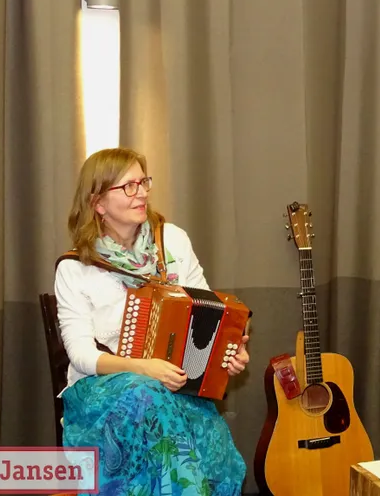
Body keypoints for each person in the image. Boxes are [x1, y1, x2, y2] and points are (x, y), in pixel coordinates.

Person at [54, 147, 250, 495]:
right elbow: (81, 355)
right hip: (103, 393)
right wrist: (143, 368)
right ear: (98, 202)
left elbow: (210, 308)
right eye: (128, 186)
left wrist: (228, 350)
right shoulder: (75, 268)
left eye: (143, 181)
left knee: (170, 407)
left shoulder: (171, 239)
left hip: (170, 384)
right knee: (144, 393)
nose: (142, 192)